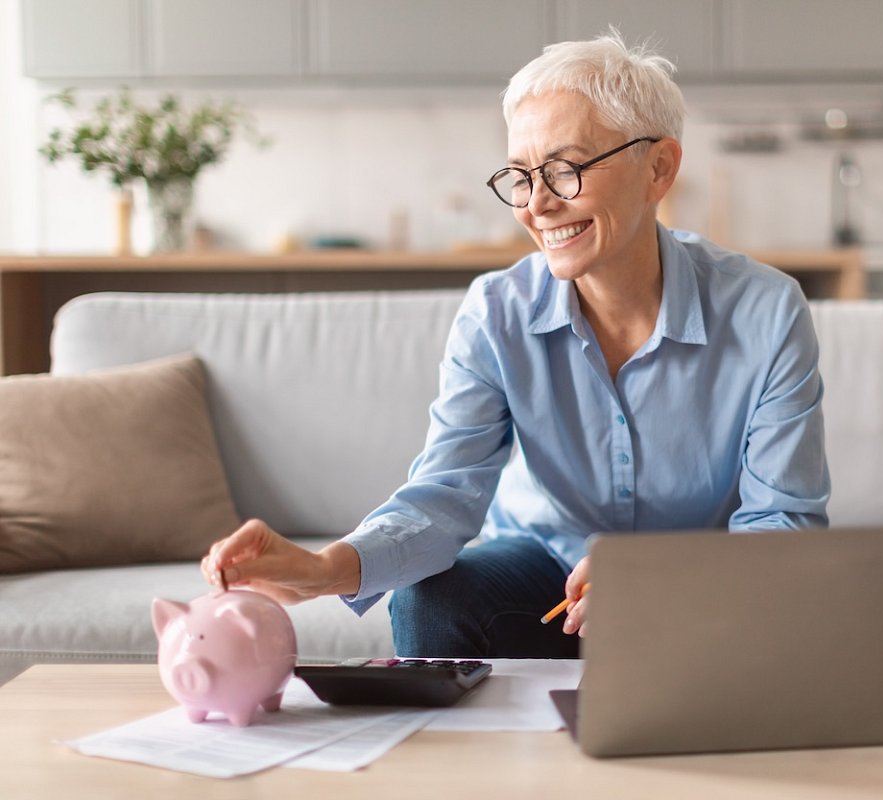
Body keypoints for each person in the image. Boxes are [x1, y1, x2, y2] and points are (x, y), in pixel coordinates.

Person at [201, 32, 831, 659]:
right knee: (428, 601)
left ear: (659, 168)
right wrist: (322, 571)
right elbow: (446, 496)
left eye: (565, 169)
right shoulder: (496, 312)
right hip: (546, 580)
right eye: (521, 177)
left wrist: (658, 577)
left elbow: (785, 521)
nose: (537, 204)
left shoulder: (765, 310)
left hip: (703, 590)